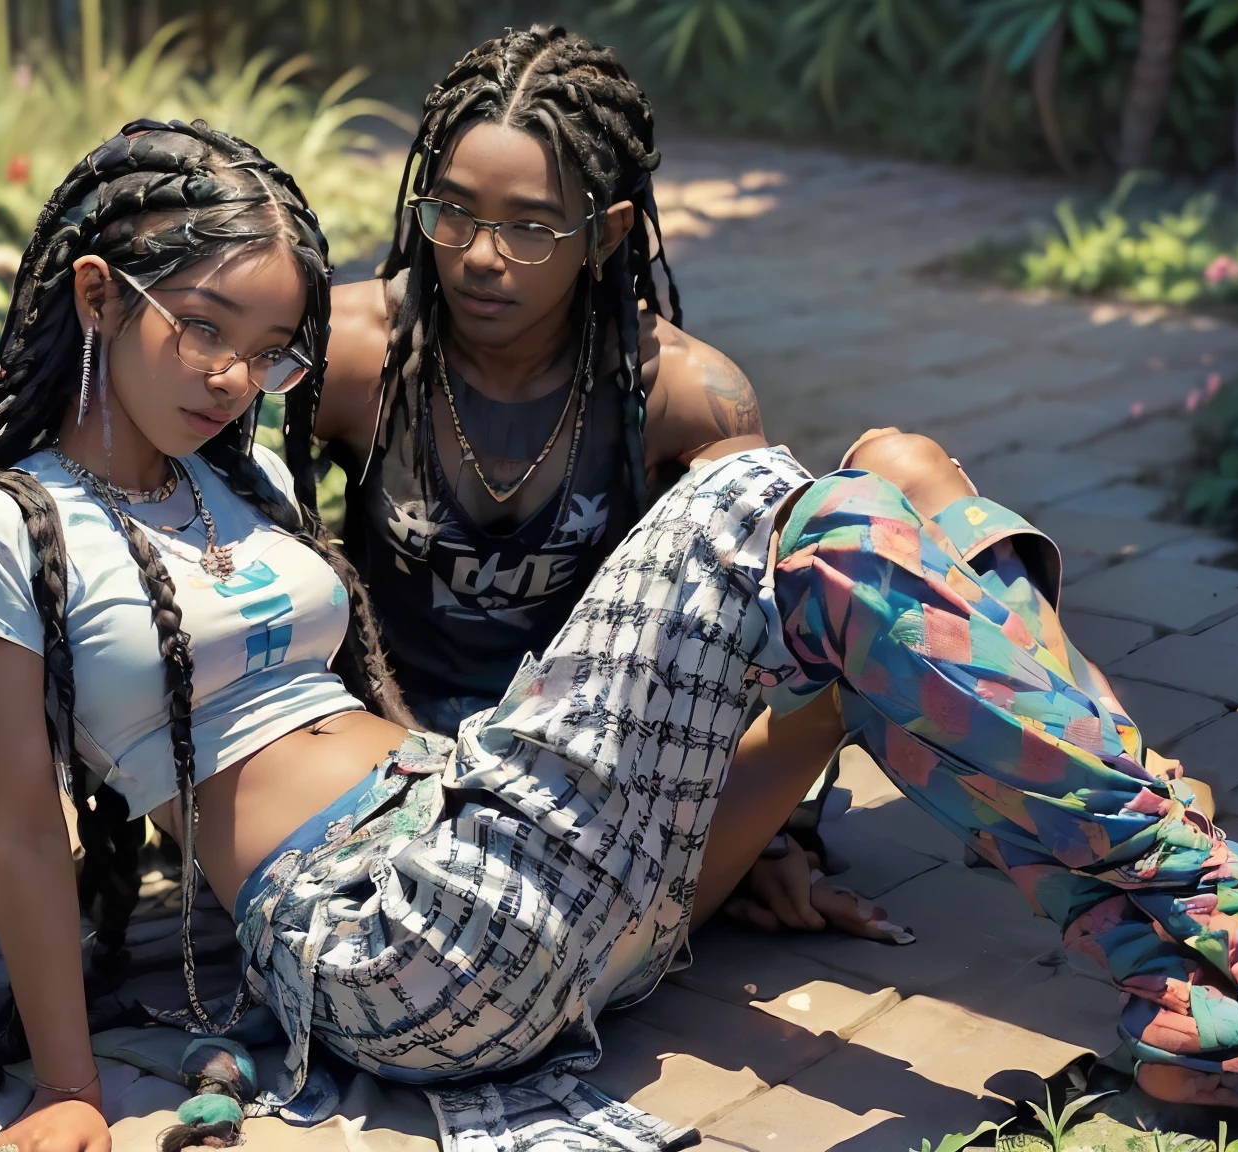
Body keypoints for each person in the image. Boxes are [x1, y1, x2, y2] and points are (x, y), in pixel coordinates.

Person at [0, 115, 1238, 1152]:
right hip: (392, 941)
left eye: (274, 350)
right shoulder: (9, 530)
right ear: (100, 292)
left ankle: (1190, 996)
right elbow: (24, 831)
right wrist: (69, 1092)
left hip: (528, 892)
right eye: (205, 331)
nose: (239, 378)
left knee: (873, 534)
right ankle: (1231, 927)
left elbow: (366, 714)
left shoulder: (240, 473)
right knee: (762, 503)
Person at [314, 27, 959, 941]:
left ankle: (1107, 798)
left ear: (606, 233)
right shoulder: (354, 356)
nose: (482, 255)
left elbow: (738, 638)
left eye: (532, 228)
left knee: (898, 488)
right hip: (395, 755)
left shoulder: (682, 394)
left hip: (593, 755)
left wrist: (770, 838)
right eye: (453, 212)